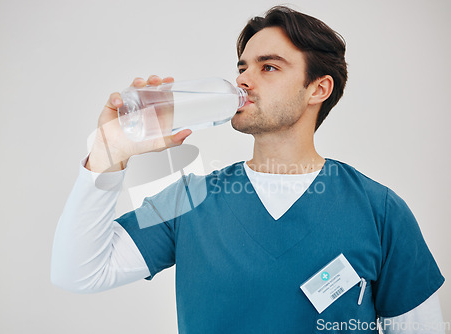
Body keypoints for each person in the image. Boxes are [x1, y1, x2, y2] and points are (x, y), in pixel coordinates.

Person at [51, 6, 445, 333]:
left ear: (318, 89)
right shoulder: (187, 199)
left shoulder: (381, 211)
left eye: (268, 67)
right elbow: (78, 272)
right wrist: (108, 152)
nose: (242, 79)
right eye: (242, 67)